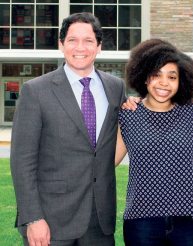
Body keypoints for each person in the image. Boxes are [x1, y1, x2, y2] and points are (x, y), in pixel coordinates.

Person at [10, 12, 125, 246]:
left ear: (99, 46)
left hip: (100, 221)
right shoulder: (36, 91)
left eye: (88, 41)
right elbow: (22, 162)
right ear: (61, 44)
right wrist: (33, 218)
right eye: (72, 40)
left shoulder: (116, 87)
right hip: (51, 221)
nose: (80, 47)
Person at [115, 39, 193, 246]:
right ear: (145, 78)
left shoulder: (192, 112)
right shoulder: (128, 115)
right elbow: (108, 160)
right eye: (156, 75)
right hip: (141, 221)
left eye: (172, 77)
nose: (164, 83)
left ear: (181, 81)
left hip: (188, 220)